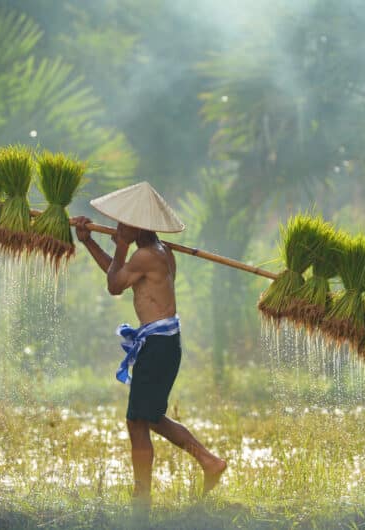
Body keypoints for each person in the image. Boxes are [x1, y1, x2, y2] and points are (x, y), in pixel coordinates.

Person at [70, 182, 226, 511]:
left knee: (139, 420)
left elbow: (114, 285)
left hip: (159, 345)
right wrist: (89, 243)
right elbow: (122, 276)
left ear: (138, 227)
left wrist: (123, 245)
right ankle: (206, 462)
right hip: (161, 343)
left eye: (124, 224)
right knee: (149, 417)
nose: (117, 227)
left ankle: (146, 495)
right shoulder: (158, 252)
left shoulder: (146, 254)